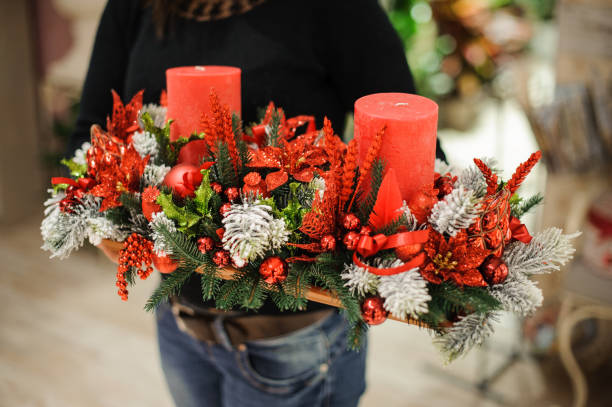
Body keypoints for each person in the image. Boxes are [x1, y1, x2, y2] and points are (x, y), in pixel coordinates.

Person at [71, 0, 446, 406]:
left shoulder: (337, 9)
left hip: (297, 337)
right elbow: (90, 131)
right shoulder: (136, 7)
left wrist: (405, 240)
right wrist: (110, 208)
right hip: (181, 321)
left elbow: (412, 146)